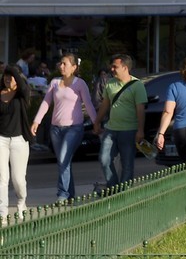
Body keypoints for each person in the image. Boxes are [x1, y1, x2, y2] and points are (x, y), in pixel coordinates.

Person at [30, 52, 97, 203]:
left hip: (74, 128)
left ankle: (63, 194)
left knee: (63, 159)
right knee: (63, 162)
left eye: (65, 64)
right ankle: (70, 194)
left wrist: (96, 123)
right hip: (56, 129)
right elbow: (46, 103)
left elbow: (88, 104)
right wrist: (36, 121)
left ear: (74, 67)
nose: (61, 66)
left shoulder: (80, 84)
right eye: (60, 63)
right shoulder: (54, 82)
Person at [94, 53, 147, 189]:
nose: (111, 69)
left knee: (127, 164)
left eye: (115, 67)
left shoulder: (137, 85)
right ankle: (113, 188)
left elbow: (140, 110)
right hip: (111, 129)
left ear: (125, 67)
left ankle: (124, 193)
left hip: (129, 130)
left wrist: (140, 130)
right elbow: (105, 105)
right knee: (104, 159)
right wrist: (97, 121)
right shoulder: (110, 84)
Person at [0, 66, 33, 223]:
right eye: (5, 76)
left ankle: (21, 202)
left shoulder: (22, 95)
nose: (8, 78)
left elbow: (23, 85)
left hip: (19, 140)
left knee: (18, 179)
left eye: (11, 76)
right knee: (2, 178)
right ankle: (2, 213)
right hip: (1, 140)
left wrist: (12, 70)